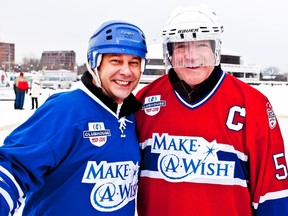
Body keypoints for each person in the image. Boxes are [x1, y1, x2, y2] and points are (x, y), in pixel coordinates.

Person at [135, 5, 288, 216]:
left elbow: (272, 194)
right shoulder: (143, 101)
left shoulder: (252, 104)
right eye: (180, 47)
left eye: (201, 45)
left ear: (216, 49)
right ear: (168, 53)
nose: (191, 56)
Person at [0, 20, 147, 215]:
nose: (126, 71)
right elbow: (13, 167)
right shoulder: (66, 110)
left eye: (134, 63)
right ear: (95, 63)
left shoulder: (132, 117)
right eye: (115, 60)